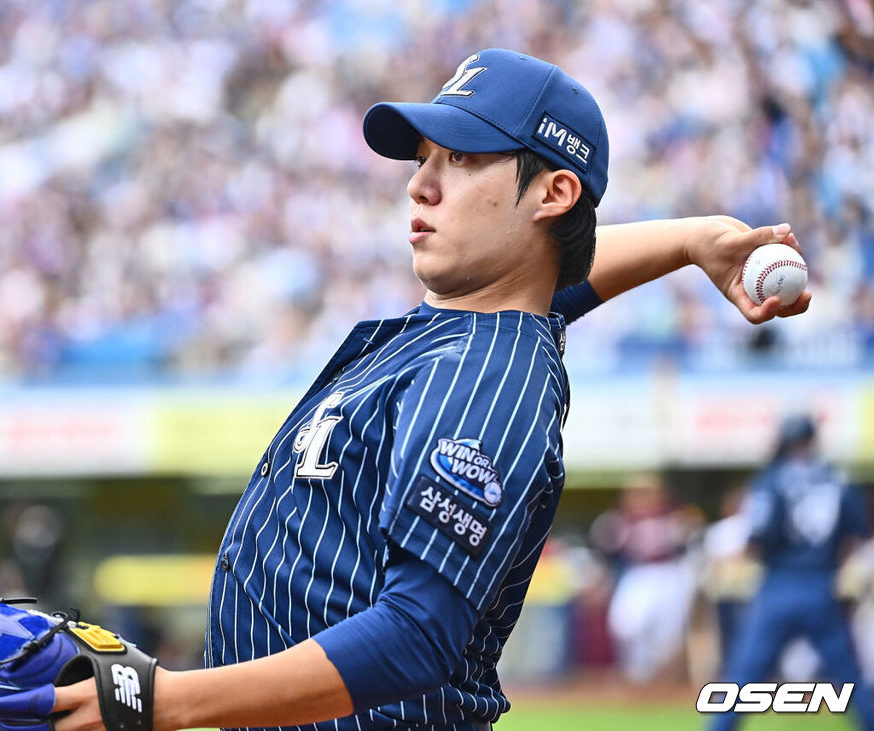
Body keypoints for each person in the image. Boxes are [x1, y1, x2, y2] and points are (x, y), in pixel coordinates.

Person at [53, 48, 809, 731]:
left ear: (552, 192)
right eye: (422, 157)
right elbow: (550, 278)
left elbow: (414, 633)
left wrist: (165, 700)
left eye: (460, 157)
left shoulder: (488, 375)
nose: (419, 184)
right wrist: (685, 241)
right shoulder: (476, 325)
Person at [709, 415, 874, 731]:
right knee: (848, 677)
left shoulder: (770, 480)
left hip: (779, 586)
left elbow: (757, 537)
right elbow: (855, 536)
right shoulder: (837, 480)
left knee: (744, 677)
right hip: (822, 586)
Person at [590, 473, 701, 683]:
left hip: (668, 573)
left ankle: (659, 680)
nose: (641, 497)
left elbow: (692, 547)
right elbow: (604, 549)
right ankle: (637, 674)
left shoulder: (675, 515)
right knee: (624, 625)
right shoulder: (620, 518)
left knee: (667, 634)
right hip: (638, 573)